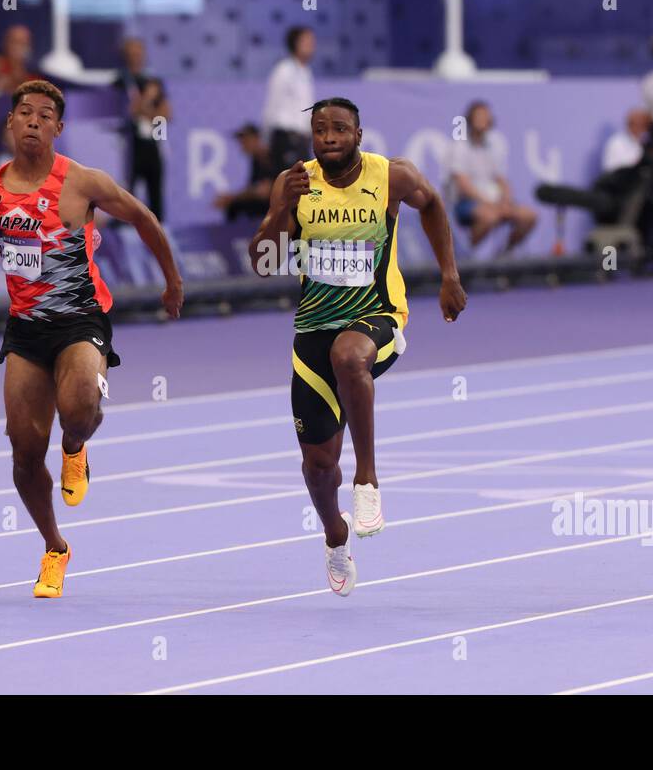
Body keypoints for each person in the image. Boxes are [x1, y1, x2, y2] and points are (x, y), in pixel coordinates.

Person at [0, 80, 183, 598]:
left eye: (44, 115)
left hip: (81, 318)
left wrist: (172, 280)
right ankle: (55, 548)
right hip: (26, 329)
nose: (33, 121)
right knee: (22, 451)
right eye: (24, 113)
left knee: (79, 406)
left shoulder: (82, 182)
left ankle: (76, 445)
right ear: (10, 124)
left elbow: (144, 218)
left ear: (59, 128)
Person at [248, 97, 467, 597]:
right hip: (311, 331)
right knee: (318, 466)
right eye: (320, 130)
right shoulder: (293, 182)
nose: (328, 137)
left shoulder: (391, 176)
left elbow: (432, 204)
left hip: (377, 317)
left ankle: (367, 480)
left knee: (350, 357)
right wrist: (282, 207)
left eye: (339, 129)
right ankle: (335, 534)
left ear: (359, 134)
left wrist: (449, 276)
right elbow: (264, 263)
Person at [446, 100, 538, 252]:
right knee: (489, 217)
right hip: (466, 203)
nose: (483, 120)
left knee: (528, 216)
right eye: (479, 116)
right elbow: (463, 184)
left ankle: (505, 254)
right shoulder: (459, 146)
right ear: (470, 119)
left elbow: (501, 179)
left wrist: (506, 201)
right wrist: (489, 203)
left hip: (495, 201)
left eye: (485, 117)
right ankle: (466, 257)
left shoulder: (495, 145)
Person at [262, 26, 315, 170]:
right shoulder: (283, 70)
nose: (311, 45)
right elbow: (272, 104)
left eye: (312, 41)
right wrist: (266, 139)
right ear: (295, 43)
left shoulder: (306, 72)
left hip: (302, 140)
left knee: (306, 186)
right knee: (289, 184)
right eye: (306, 41)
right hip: (286, 138)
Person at [214, 123, 280, 221]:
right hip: (270, 204)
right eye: (241, 141)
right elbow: (255, 188)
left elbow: (264, 190)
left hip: (286, 202)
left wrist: (232, 198)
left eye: (245, 140)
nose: (242, 145)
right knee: (235, 205)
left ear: (257, 139)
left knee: (237, 203)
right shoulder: (256, 161)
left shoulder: (273, 155)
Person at [125, 76, 170, 221]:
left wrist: (148, 109)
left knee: (155, 189)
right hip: (137, 149)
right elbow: (132, 112)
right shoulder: (137, 101)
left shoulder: (162, 104)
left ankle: (158, 221)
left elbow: (161, 121)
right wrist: (143, 103)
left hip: (154, 149)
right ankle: (128, 219)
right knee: (131, 187)